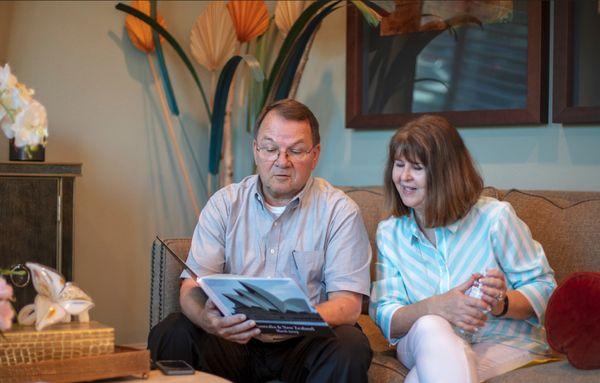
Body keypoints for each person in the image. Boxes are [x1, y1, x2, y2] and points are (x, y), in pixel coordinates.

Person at [149, 99, 373, 383]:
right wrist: (209, 322)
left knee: (350, 345)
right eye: (270, 149)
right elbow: (192, 287)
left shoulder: (339, 211)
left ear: (315, 155)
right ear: (256, 150)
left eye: (296, 150)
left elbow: (347, 305)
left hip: (305, 339)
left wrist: (289, 320)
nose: (282, 161)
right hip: (235, 338)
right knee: (172, 331)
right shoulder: (225, 204)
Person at [370, 115, 557, 383]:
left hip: (502, 341)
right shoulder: (390, 233)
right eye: (399, 165)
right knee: (431, 324)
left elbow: (544, 288)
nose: (404, 177)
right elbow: (386, 314)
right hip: (421, 341)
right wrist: (437, 307)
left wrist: (500, 303)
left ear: (446, 173)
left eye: (417, 167)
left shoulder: (494, 219)